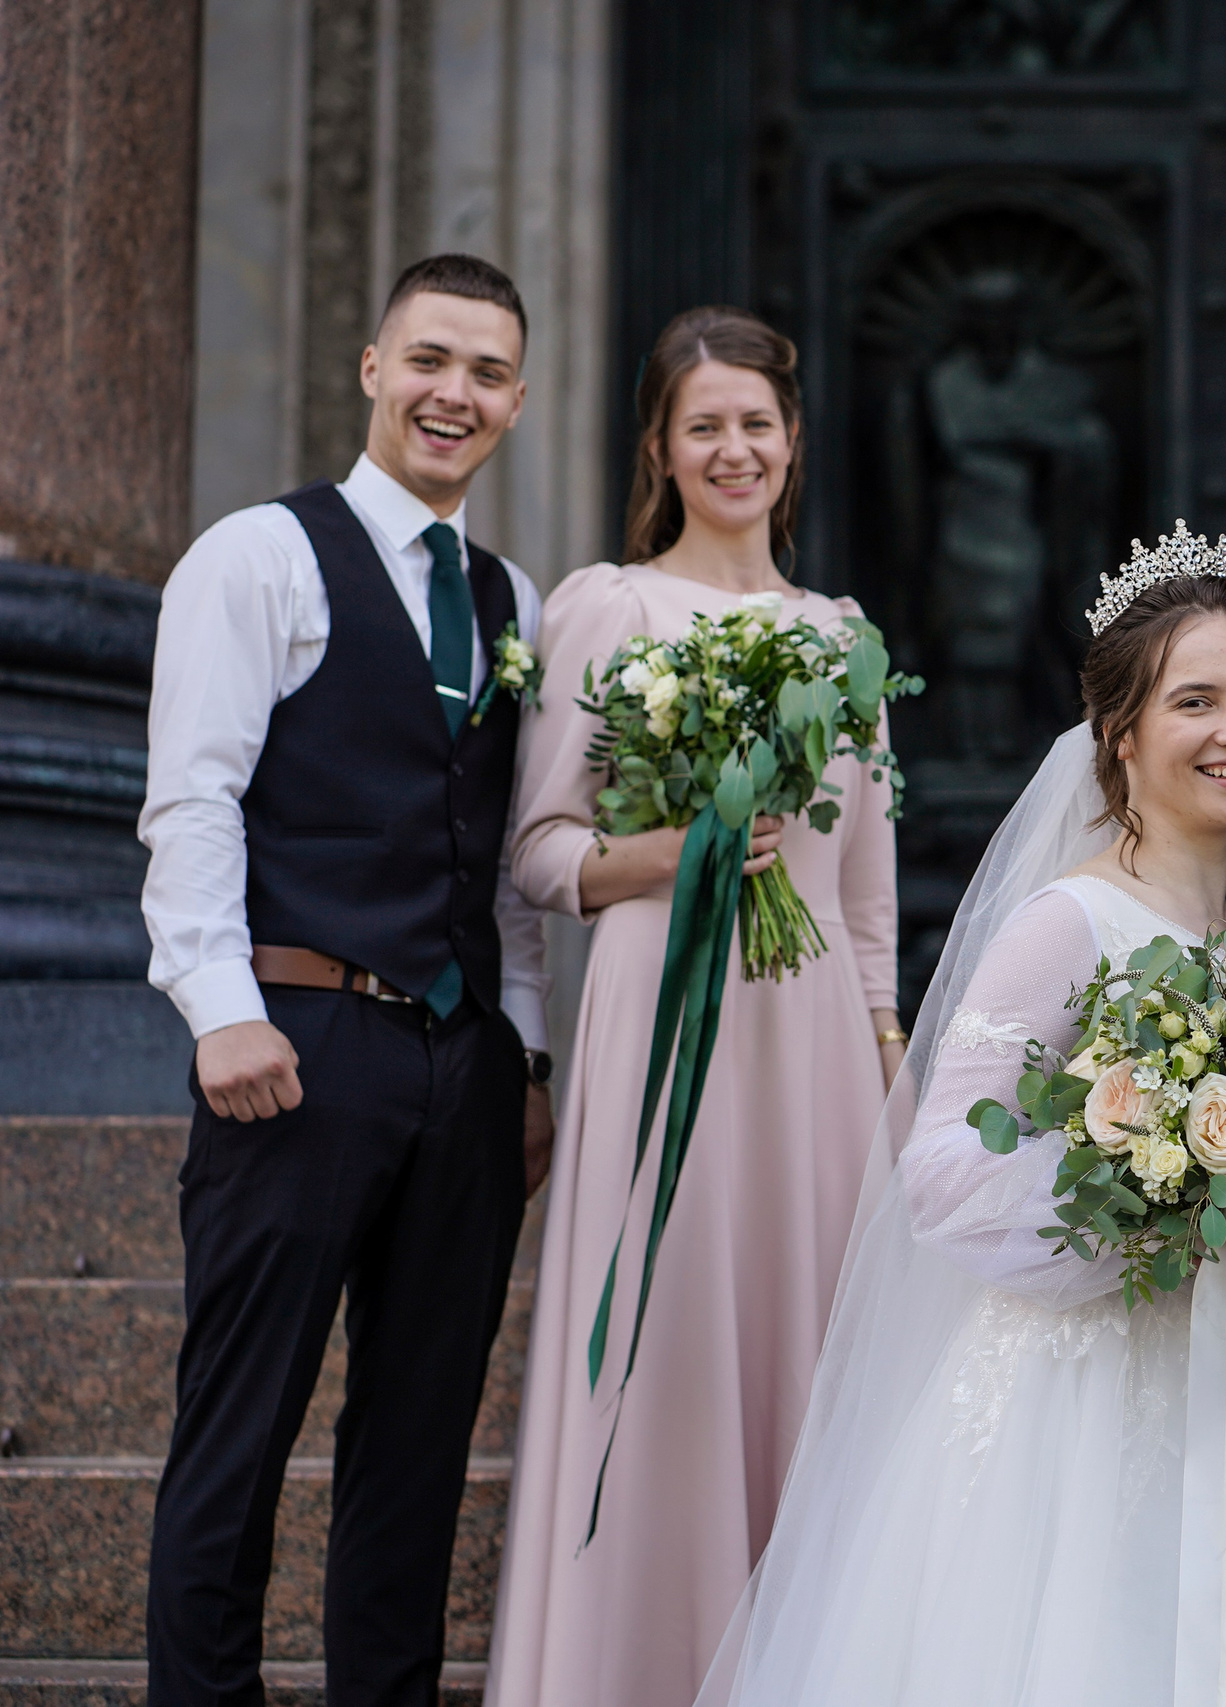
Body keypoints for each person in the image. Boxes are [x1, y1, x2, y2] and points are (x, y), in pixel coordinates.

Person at [691, 542, 1226, 1705]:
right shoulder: (1070, 921)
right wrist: (1149, 1188)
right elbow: (944, 1170)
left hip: (1216, 1403)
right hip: (1069, 1415)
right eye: (1196, 701)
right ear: (1120, 733)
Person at [138, 253, 553, 1707]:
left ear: (517, 399)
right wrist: (219, 1006)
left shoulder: (515, 599)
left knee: (421, 1436)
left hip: (462, 1060)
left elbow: (502, 852)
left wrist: (529, 1054)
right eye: (431, 359)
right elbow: (191, 795)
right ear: (373, 367)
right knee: (237, 1425)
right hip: (296, 1040)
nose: (457, 393)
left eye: (489, 371)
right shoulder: (257, 555)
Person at [487, 307, 904, 1707]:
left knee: (810, 1360)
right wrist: (661, 857)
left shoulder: (846, 639)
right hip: (663, 1032)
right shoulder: (607, 607)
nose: (736, 448)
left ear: (793, 446)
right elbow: (540, 847)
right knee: (664, 1359)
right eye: (705, 424)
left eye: (758, 424)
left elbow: (862, 906)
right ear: (662, 448)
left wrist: (888, 1068)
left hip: (815, 1062)